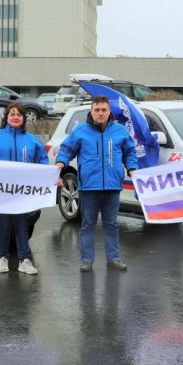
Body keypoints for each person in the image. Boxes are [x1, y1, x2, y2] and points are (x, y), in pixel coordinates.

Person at [55, 96, 139, 272]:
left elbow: (130, 151)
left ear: (109, 112)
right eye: (97, 110)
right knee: (88, 224)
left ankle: (113, 258)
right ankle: (86, 259)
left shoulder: (120, 131)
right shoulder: (81, 131)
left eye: (104, 110)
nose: (100, 113)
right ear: (91, 111)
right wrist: (61, 162)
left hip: (112, 186)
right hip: (88, 187)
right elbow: (66, 149)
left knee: (111, 224)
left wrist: (132, 167)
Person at [0, 101, 50, 275]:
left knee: (21, 224)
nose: (15, 117)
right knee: (4, 224)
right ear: (6, 117)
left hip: (23, 192)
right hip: (2, 190)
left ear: (24, 118)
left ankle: (24, 260)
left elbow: (44, 164)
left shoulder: (32, 141)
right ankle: (3, 258)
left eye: (19, 115)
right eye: (12, 114)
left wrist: (53, 178)